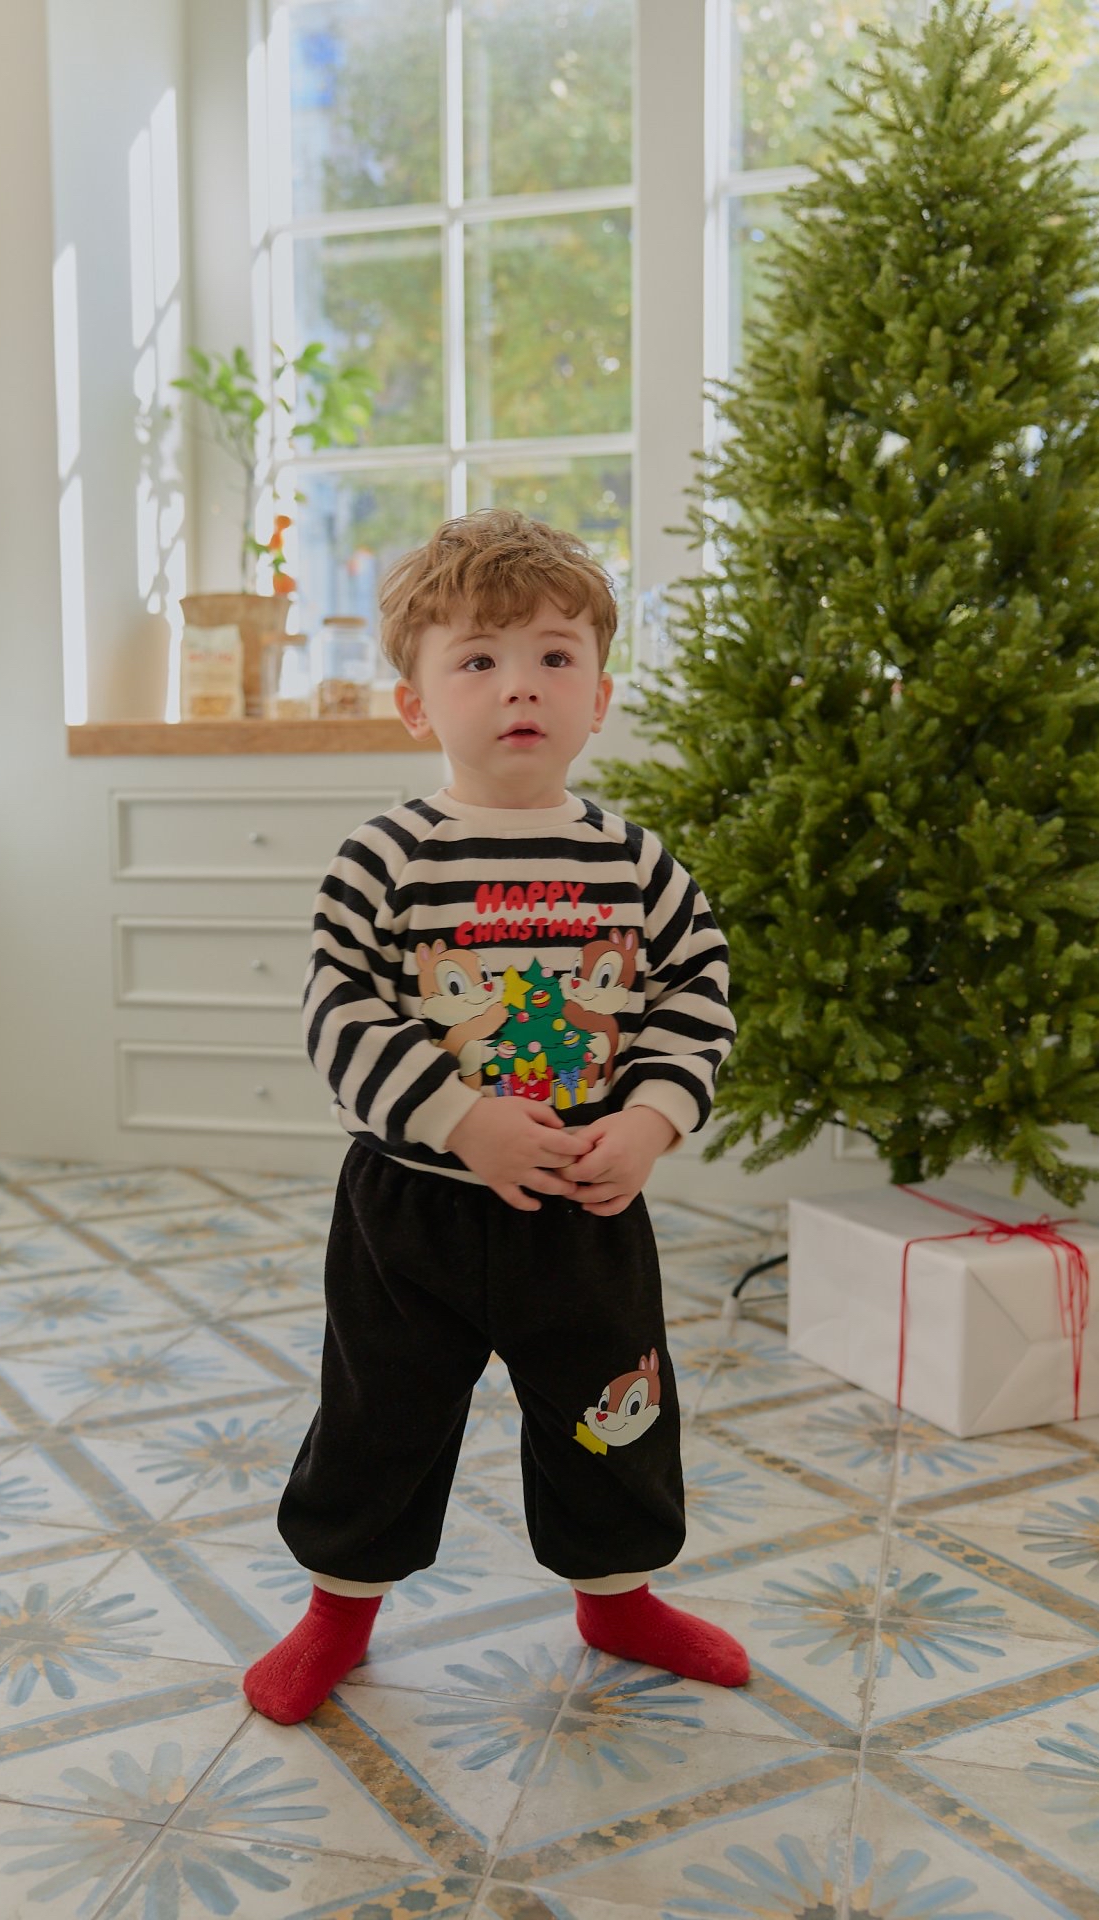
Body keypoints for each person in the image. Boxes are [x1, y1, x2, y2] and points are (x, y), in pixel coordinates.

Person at [243, 508, 749, 1725]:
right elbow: (339, 1011)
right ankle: (336, 1611)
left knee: (612, 1414)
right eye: (477, 658)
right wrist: (461, 1118)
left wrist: (648, 1124)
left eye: (553, 656)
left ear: (598, 696)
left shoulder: (638, 866)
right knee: (377, 1417)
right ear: (414, 704)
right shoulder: (384, 859)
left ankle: (616, 1599)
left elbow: (695, 1000)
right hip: (410, 1214)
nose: (519, 684)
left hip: (584, 1212)